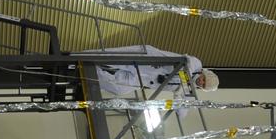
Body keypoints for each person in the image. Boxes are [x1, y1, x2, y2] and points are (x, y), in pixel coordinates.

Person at [76, 45, 219, 99]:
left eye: (203, 85)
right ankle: (78, 57)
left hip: (143, 80)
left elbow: (182, 109)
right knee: (110, 57)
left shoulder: (189, 89)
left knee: (119, 89)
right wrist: (181, 87)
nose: (201, 82)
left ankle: (87, 71)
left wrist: (179, 100)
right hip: (147, 60)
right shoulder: (196, 65)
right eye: (204, 79)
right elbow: (188, 64)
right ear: (204, 74)